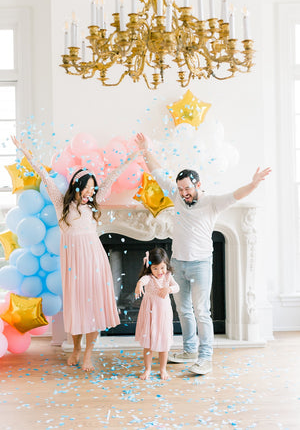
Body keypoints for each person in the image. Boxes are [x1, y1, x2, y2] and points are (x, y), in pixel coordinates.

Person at [135, 132, 271, 376]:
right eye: (180, 188)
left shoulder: (212, 202)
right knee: (183, 310)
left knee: (201, 311)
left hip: (200, 264)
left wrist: (254, 184)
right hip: (177, 263)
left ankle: (205, 357)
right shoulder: (176, 196)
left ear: (197, 185)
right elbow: (156, 172)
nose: (184, 192)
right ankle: (189, 350)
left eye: (187, 188)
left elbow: (236, 195)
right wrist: (145, 150)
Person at [11, 135, 140, 372]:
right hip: (74, 265)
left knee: (94, 308)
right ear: (76, 187)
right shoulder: (62, 204)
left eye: (93, 188)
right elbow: (44, 175)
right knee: (77, 308)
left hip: (94, 261)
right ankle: (77, 348)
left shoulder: (94, 204)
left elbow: (111, 178)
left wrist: (133, 156)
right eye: (87, 188)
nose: (90, 192)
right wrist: (26, 153)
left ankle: (88, 353)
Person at [135, 248, 179, 380]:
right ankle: (147, 369)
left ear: (166, 265)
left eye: (162, 268)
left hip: (163, 315)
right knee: (148, 343)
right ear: (149, 268)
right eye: (155, 268)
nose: (159, 272)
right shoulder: (148, 277)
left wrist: (169, 288)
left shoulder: (168, 276)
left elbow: (177, 287)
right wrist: (139, 285)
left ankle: (162, 369)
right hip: (149, 314)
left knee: (163, 343)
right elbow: (142, 281)